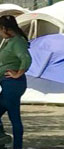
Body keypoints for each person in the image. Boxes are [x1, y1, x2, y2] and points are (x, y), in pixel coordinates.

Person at [0, 15, 32, 149]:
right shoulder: (9, 41)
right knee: (15, 117)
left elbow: (26, 59)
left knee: (15, 117)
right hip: (8, 84)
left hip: (12, 85)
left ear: (4, 28)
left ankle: (13, 144)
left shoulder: (17, 42)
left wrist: (18, 73)